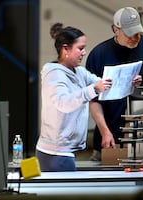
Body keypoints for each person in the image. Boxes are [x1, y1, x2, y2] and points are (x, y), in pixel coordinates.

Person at [85, 7, 143, 161]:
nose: (134, 37)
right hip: (110, 140)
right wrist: (105, 131)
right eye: (129, 33)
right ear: (115, 29)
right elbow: (93, 101)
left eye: (137, 32)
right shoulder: (99, 55)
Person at [35, 26, 116, 172]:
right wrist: (93, 89)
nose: (84, 52)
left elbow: (104, 83)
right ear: (66, 49)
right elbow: (63, 103)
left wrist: (128, 80)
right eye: (80, 48)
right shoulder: (54, 74)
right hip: (55, 153)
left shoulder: (79, 72)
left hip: (65, 151)